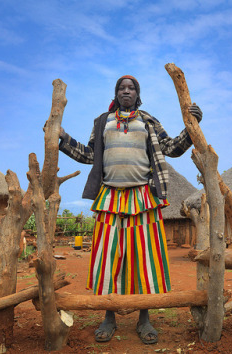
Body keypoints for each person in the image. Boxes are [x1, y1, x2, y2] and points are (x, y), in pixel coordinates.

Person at [58, 75, 202, 345]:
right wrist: (63, 137)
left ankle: (144, 319)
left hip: (143, 198)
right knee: (108, 259)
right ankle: (109, 318)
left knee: (144, 259)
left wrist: (192, 125)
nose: (127, 91)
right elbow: (90, 154)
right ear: (116, 93)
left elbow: (172, 148)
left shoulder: (148, 121)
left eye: (132, 88)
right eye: (122, 88)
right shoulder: (103, 121)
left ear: (138, 94)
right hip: (110, 198)